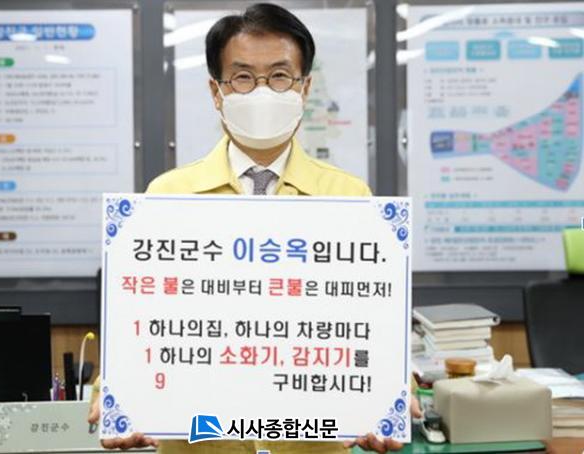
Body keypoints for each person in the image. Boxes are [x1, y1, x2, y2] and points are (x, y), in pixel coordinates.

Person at [88, 3, 420, 453]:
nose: (262, 90)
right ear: (216, 91)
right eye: (243, 77)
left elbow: (371, 328)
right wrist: (117, 395)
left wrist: (390, 394)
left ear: (304, 88)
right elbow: (142, 325)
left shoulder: (350, 198)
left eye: (280, 76)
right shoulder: (167, 196)